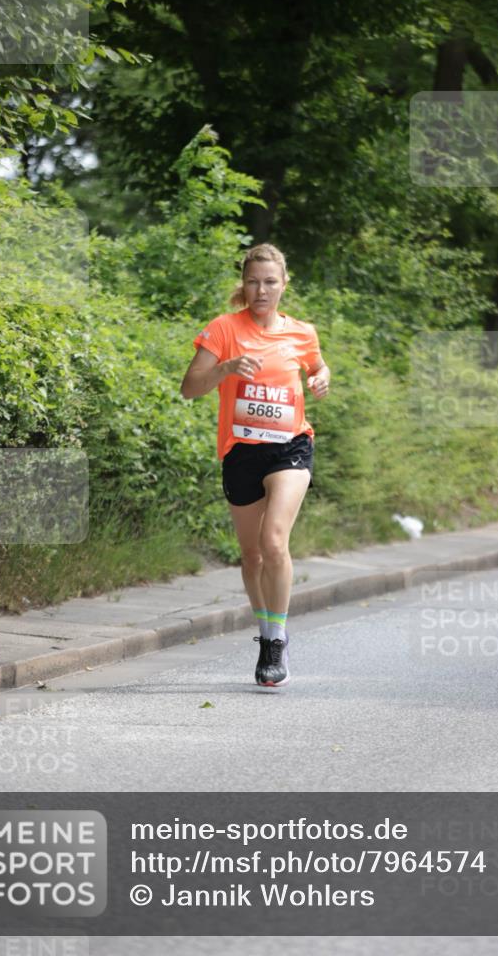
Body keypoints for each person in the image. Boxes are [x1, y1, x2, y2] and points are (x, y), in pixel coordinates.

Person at [180, 243, 330, 685]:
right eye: (252, 281)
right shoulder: (224, 329)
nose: (260, 290)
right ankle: (265, 632)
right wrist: (225, 368)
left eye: (270, 282)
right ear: (242, 284)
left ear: (284, 284)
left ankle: (278, 640)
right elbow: (190, 388)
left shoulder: (302, 332)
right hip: (240, 451)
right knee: (251, 556)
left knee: (273, 541)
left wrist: (321, 378)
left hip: (290, 446)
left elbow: (319, 367)